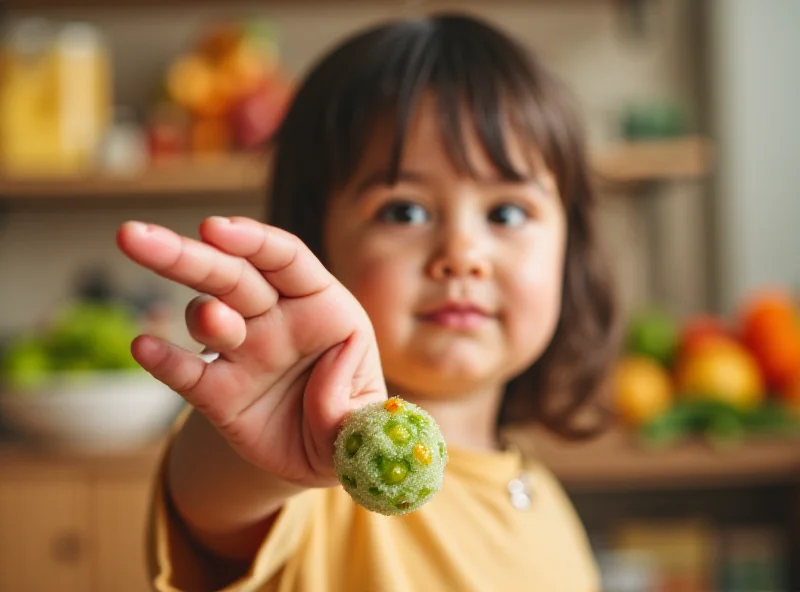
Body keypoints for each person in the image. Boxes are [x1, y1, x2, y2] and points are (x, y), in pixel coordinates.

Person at [117, 12, 620, 592]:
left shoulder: (542, 493)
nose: (461, 253)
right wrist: (257, 459)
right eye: (403, 210)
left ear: (569, 248)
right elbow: (217, 500)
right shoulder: (312, 464)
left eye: (506, 213)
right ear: (315, 240)